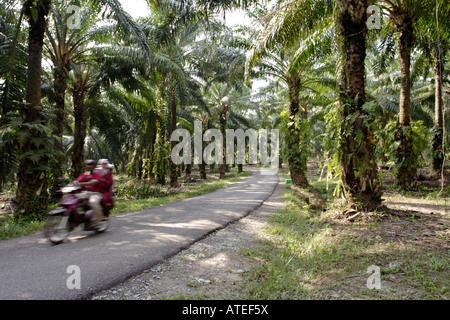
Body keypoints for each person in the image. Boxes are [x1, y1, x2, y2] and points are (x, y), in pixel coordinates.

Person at [74, 159, 103, 226]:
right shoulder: (84, 174)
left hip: (95, 193)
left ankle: (95, 220)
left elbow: (94, 182)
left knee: (93, 203)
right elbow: (76, 181)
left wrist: (82, 184)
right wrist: (69, 185)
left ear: (94, 166)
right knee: (72, 199)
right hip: (85, 193)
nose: (89, 166)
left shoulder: (97, 173)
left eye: (91, 165)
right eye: (88, 165)